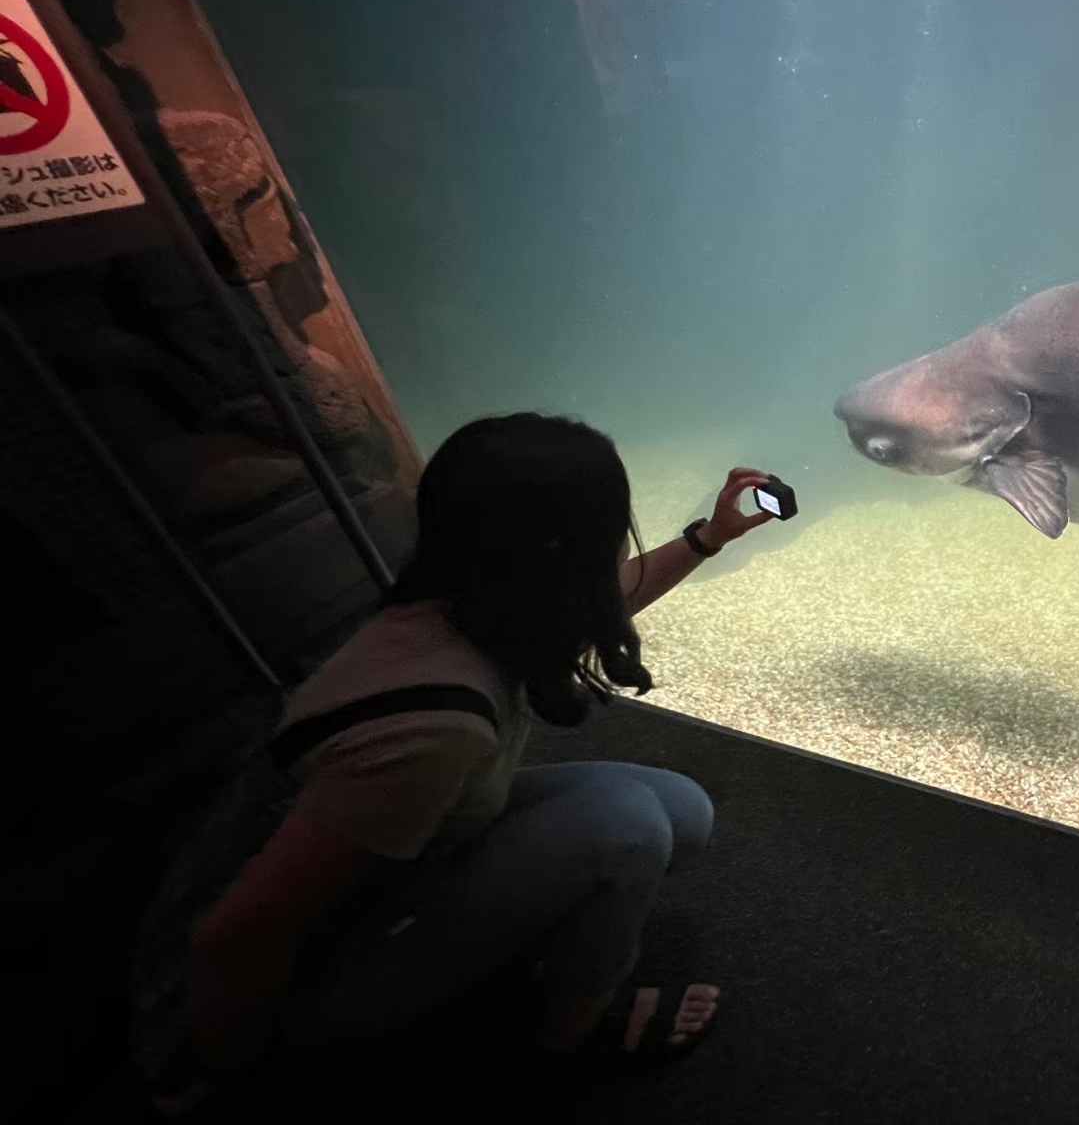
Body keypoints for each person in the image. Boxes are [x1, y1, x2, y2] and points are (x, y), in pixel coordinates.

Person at [134, 412, 782, 1114]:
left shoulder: (463, 601)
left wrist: (705, 539)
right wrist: (225, 1075)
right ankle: (570, 1031)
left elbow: (592, 604)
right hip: (274, 993)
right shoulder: (432, 721)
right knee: (625, 825)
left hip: (396, 879)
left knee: (679, 810)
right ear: (560, 551)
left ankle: (493, 958)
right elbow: (234, 935)